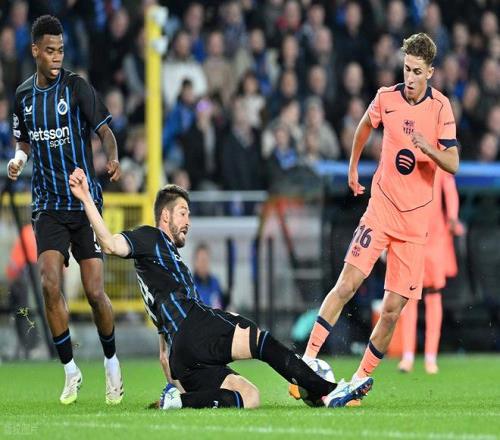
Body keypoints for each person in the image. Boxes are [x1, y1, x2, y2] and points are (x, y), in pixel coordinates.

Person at [67, 169, 373, 409]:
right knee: (261, 341)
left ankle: (179, 403)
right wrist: (86, 198)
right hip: (193, 327)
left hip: (182, 356)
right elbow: (109, 244)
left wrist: (176, 383)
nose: (188, 220)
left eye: (189, 214)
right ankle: (328, 391)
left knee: (249, 397)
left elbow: (163, 352)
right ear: (165, 216)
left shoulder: (158, 270)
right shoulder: (151, 238)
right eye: (183, 212)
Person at [289, 33, 460, 404]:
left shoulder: (441, 109)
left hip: (414, 227)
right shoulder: (387, 98)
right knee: (346, 283)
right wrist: (353, 168)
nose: (410, 77)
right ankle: (307, 360)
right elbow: (364, 126)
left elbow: (453, 162)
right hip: (380, 212)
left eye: (417, 71)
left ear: (430, 72)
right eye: (406, 69)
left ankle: (357, 381)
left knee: (393, 310)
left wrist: (429, 148)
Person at [7, 15, 123, 405]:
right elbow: (24, 142)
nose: (57, 57)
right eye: (50, 50)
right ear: (35, 51)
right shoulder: (23, 96)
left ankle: (111, 362)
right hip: (48, 204)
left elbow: (105, 129)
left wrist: (112, 158)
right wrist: (18, 161)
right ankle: (71, 371)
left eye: (60, 50)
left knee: (94, 292)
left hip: (84, 202)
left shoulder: (75, 87)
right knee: (48, 284)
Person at [398, 169, 464, 374]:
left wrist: (452, 217)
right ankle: (407, 355)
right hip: (413, 233)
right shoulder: (410, 160)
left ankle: (430, 357)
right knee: (409, 295)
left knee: (433, 294)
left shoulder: (440, 160)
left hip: (435, 237)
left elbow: (450, 189)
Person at [193, 243, 225, 310]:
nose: (203, 264)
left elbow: (221, 305)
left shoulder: (215, 283)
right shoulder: (189, 284)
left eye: (206, 260)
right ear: (195, 262)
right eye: (201, 260)